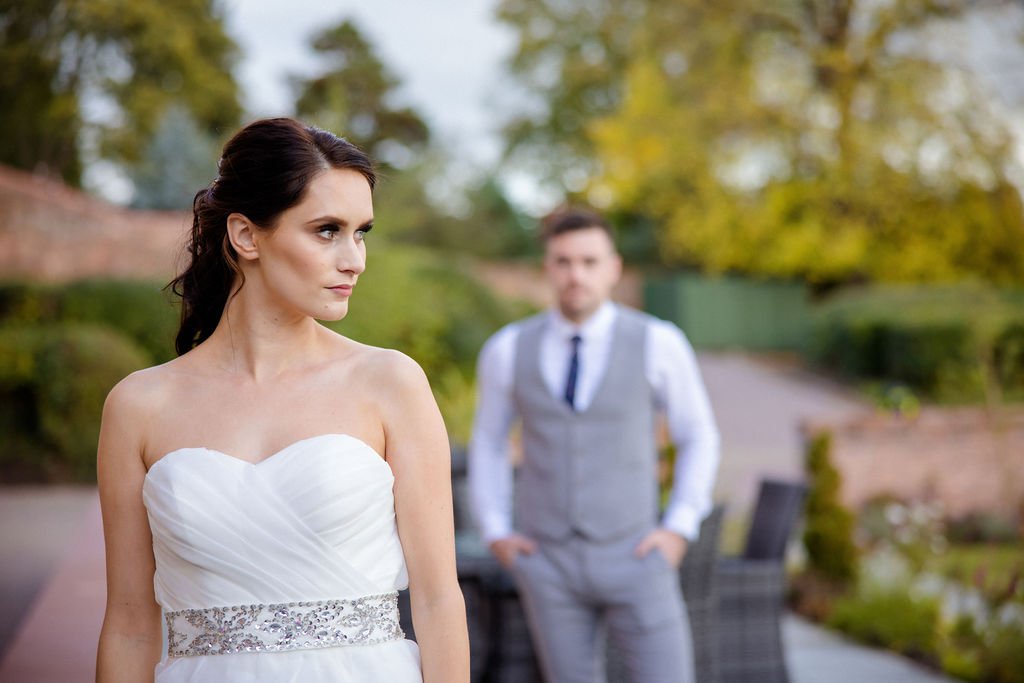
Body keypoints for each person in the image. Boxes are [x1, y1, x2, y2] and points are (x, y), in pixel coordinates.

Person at [95, 117, 469, 683]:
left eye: (361, 232)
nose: (355, 259)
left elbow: (439, 599)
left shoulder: (390, 383)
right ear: (246, 236)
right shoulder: (138, 406)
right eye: (327, 231)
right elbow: (128, 624)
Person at [468, 207, 720, 683]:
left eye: (589, 261)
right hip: (548, 562)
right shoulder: (507, 349)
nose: (576, 275)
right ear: (546, 268)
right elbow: (489, 442)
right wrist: (496, 530)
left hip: (637, 554)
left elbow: (698, 435)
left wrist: (679, 527)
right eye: (563, 261)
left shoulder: (658, 342)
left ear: (614, 268)